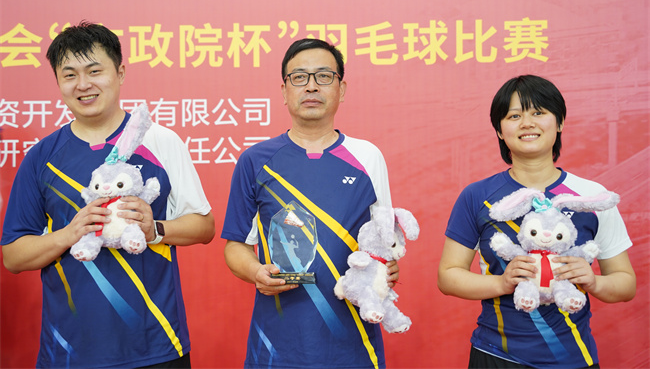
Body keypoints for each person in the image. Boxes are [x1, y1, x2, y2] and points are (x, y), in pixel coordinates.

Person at [1, 21, 215, 368]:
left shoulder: (159, 140)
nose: (83, 84)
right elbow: (13, 256)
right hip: (69, 350)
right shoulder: (42, 157)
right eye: (69, 75)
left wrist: (155, 229)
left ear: (120, 73)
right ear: (58, 82)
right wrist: (70, 234)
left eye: (94, 71)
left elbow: (204, 227)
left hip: (156, 343)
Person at [221, 38, 399, 369]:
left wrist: (386, 267)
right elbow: (235, 247)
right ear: (284, 90)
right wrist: (257, 272)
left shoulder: (368, 157)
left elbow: (383, 241)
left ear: (341, 89)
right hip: (276, 345)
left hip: (354, 346)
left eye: (324, 76)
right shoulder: (255, 160)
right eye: (300, 77)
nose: (312, 86)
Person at [437, 75, 636, 368]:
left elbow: (625, 283)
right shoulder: (477, 196)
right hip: (496, 355)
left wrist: (593, 281)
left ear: (560, 122)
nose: (527, 124)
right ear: (499, 130)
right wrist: (502, 283)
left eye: (538, 113)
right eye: (514, 116)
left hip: (573, 358)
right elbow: (448, 276)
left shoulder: (591, 196)